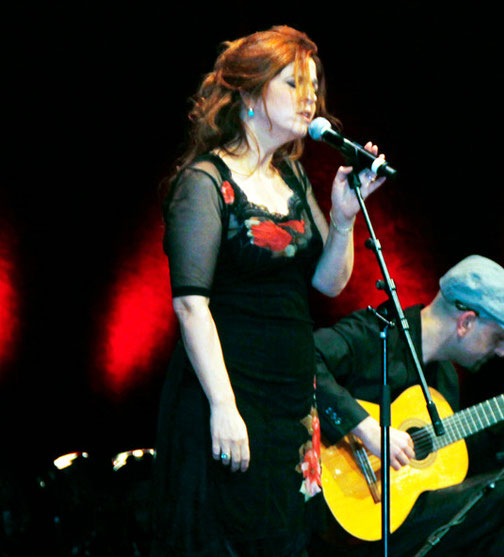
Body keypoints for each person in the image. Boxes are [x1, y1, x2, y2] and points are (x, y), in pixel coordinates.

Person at [150, 25, 386, 556]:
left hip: (288, 406)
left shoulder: (294, 179)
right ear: (252, 92)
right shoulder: (207, 181)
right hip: (230, 397)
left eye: (314, 85)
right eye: (293, 83)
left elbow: (326, 284)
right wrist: (223, 404)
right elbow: (191, 304)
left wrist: (345, 218)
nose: (310, 98)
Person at [312, 255, 504, 557]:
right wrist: (367, 429)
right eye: (499, 337)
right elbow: (301, 359)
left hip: (413, 523)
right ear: (466, 322)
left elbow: (456, 475)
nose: (502, 351)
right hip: (349, 521)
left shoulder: (444, 380)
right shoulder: (375, 335)